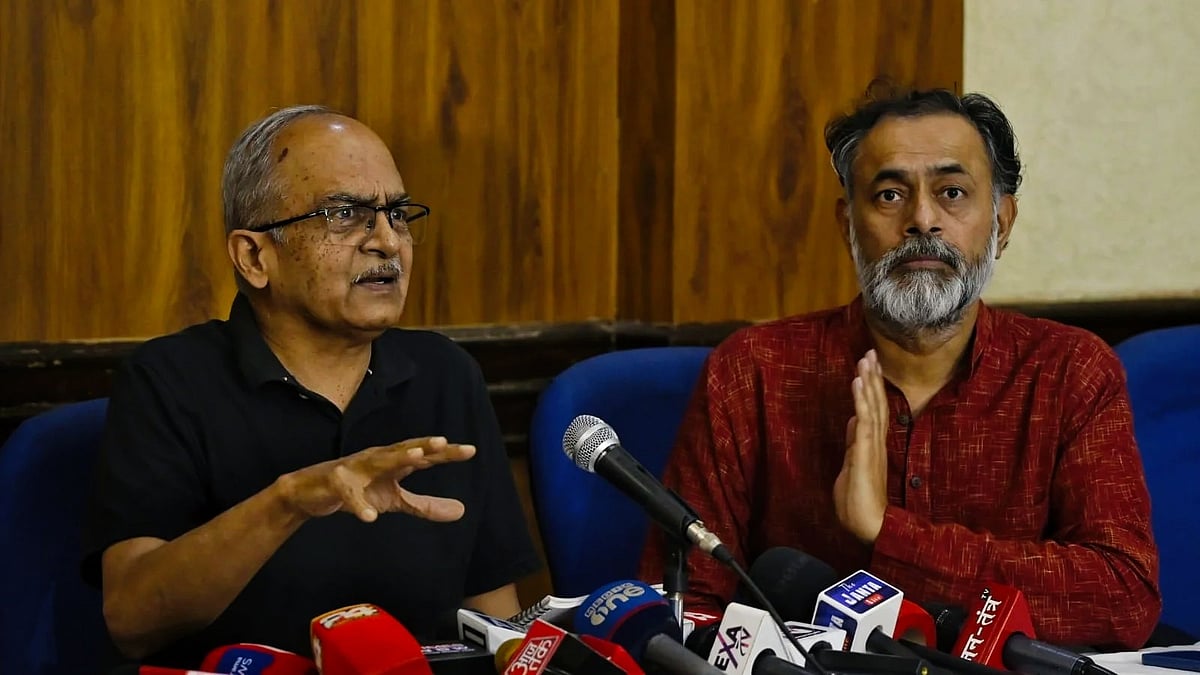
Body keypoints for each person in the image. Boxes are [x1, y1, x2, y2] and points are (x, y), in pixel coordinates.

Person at [639, 83, 1161, 649]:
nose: (921, 220)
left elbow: (1122, 596)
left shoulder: (1070, 372)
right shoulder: (752, 372)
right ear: (847, 225)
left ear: (1002, 223)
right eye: (889, 195)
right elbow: (684, 601)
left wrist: (889, 533)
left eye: (953, 192)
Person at [83, 105, 541, 667]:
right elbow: (132, 621)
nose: (387, 242)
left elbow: (490, 619)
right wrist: (291, 501)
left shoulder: (445, 374)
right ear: (254, 256)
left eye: (397, 214)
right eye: (346, 214)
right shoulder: (168, 382)